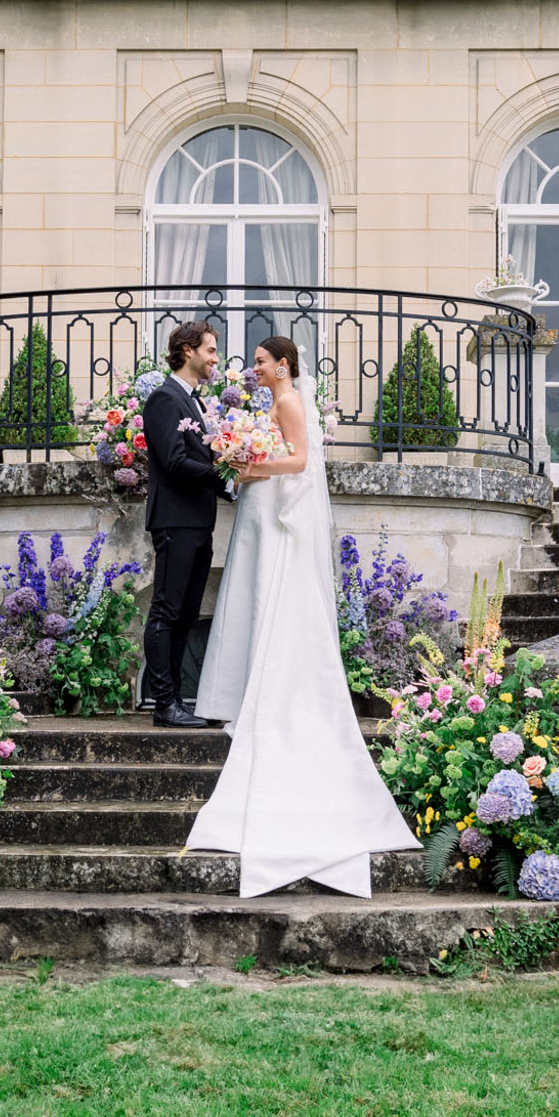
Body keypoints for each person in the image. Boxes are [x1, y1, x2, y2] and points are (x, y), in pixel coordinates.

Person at [187, 336, 419, 895]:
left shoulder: (289, 401)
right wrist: (242, 461)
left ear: (282, 365)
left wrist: (250, 463)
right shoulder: (273, 401)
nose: (254, 368)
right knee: (253, 597)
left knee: (275, 596)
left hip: (275, 508)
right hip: (261, 507)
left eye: (260, 362)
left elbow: (299, 461)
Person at [138, 320, 229, 729]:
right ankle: (164, 704)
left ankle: (175, 700)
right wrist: (224, 474)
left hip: (198, 521)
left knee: (187, 614)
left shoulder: (195, 401)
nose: (215, 359)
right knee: (166, 610)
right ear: (188, 351)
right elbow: (174, 462)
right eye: (210, 350)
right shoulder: (165, 398)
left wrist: (233, 482)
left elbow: (198, 458)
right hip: (175, 520)